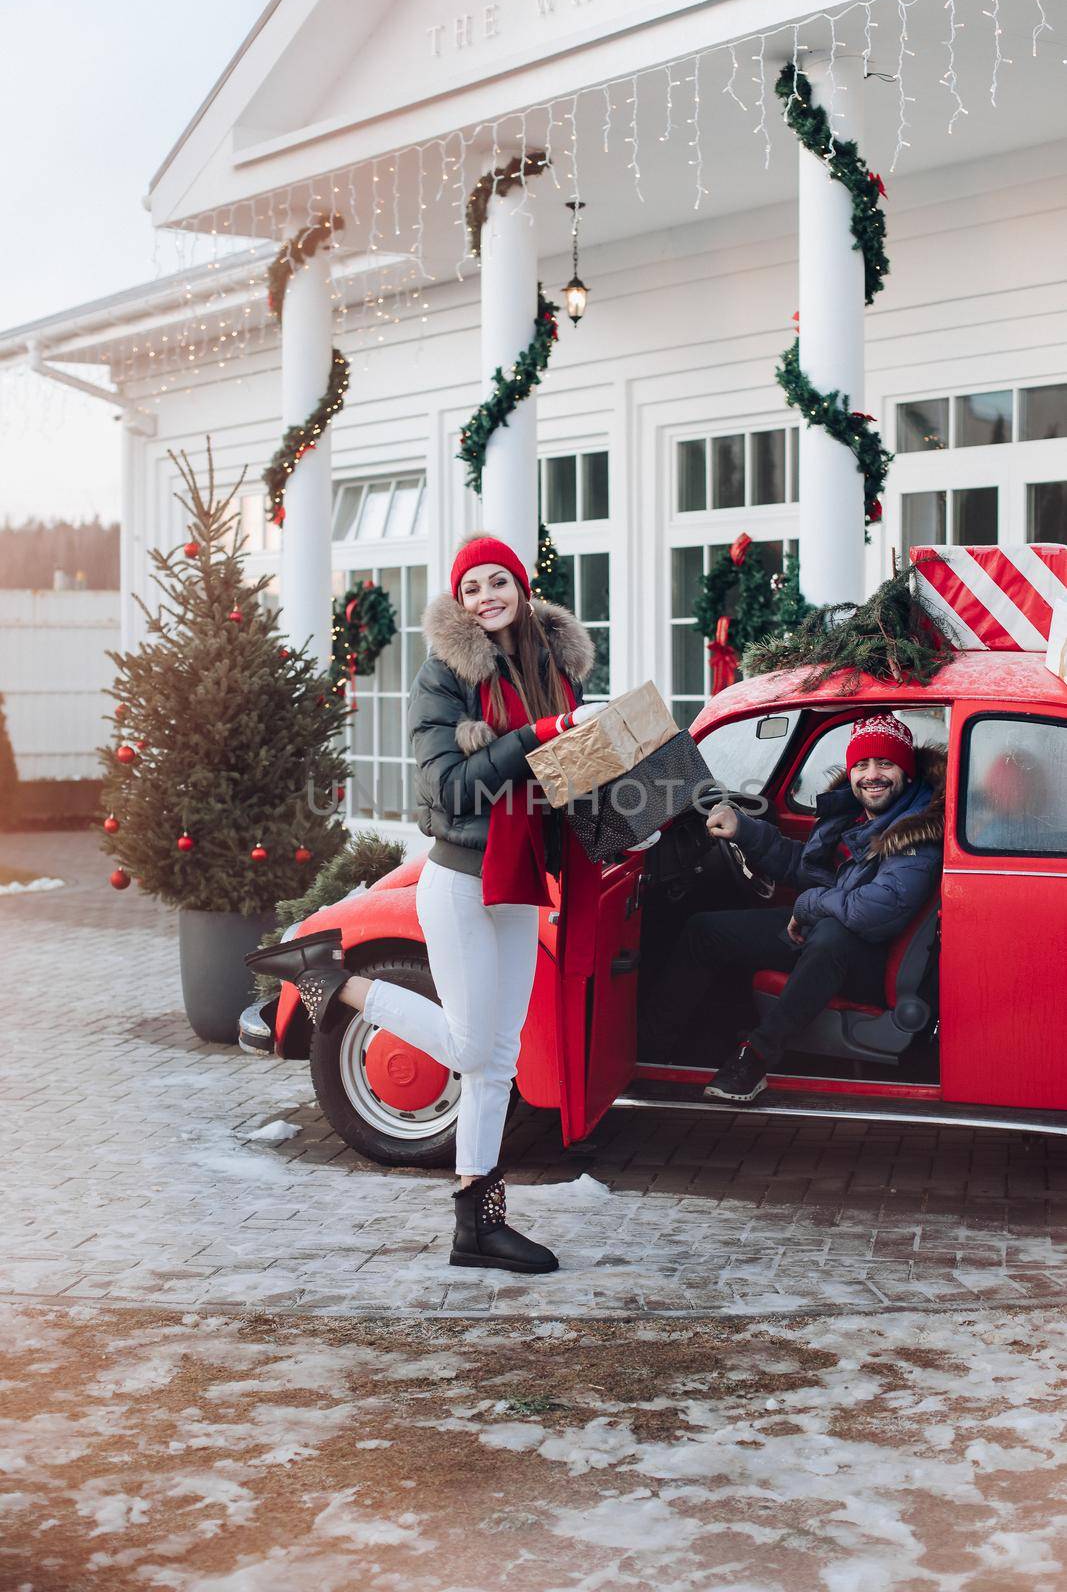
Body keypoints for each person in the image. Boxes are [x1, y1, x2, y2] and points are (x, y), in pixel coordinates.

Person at [248, 535, 599, 1274]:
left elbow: (563, 781)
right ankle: (328, 976)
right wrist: (537, 738)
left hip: (524, 879)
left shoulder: (552, 670)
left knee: (494, 1060)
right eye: (472, 589)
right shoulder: (445, 673)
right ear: (461, 602)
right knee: (474, 1048)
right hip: (462, 878)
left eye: (498, 582)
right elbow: (450, 785)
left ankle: (479, 1223)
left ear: (521, 588)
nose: (486, 598)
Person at [642, 713, 945, 1103]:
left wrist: (806, 907)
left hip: (870, 955)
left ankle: (755, 1057)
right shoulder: (853, 815)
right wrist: (744, 831)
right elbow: (807, 868)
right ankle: (651, 1053)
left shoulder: (917, 831)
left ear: (906, 771)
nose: (873, 775)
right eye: (862, 765)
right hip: (824, 933)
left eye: (886, 763)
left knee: (833, 936)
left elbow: (875, 911)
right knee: (705, 931)